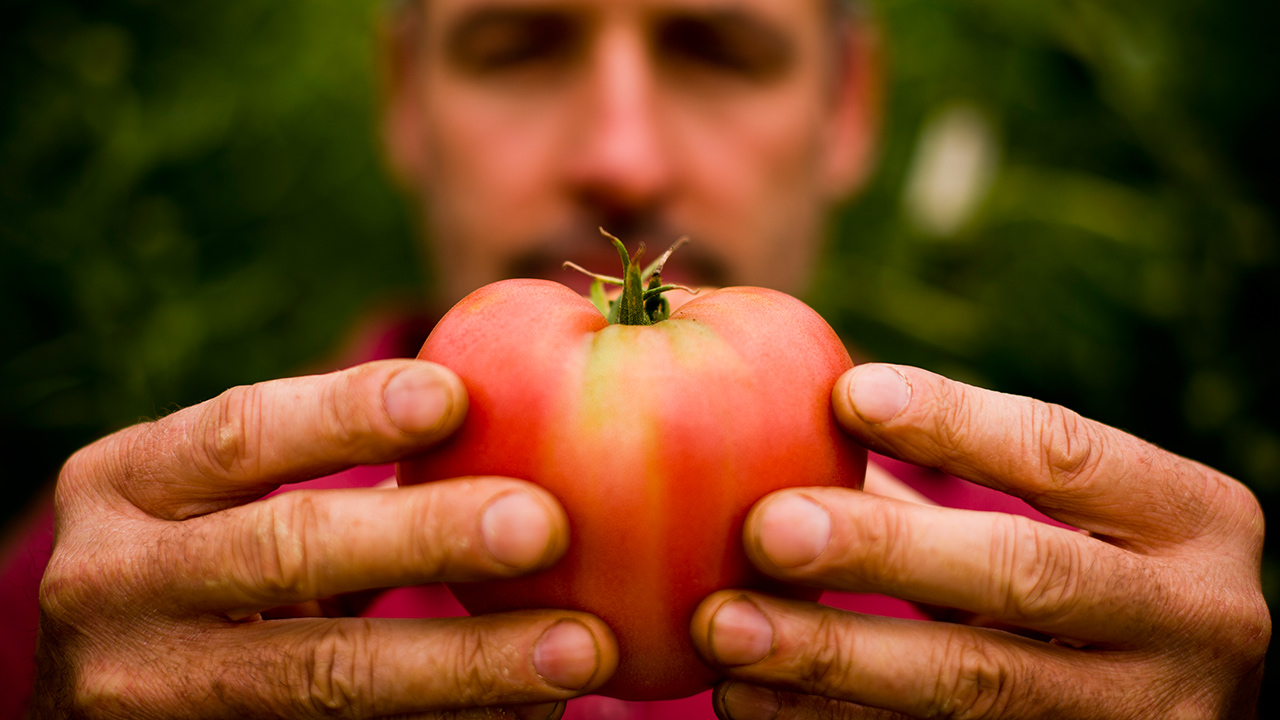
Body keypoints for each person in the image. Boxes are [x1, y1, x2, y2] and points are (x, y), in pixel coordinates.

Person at [3, 0, 1267, 717]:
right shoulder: (122, 604)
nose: (622, 155)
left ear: (845, 112)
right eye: (519, 44)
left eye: (717, 48)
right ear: (405, 99)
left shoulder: (1072, 630)